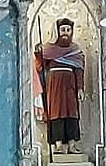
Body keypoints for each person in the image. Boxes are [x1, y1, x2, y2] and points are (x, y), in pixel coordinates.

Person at [34, 15, 87, 150]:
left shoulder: (75, 50)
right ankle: (57, 145)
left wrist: (80, 88)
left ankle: (72, 145)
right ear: (57, 31)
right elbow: (40, 67)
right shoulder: (49, 49)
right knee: (56, 112)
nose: (65, 33)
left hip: (70, 84)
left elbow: (79, 70)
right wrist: (39, 53)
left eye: (68, 30)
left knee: (72, 113)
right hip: (54, 84)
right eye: (62, 30)